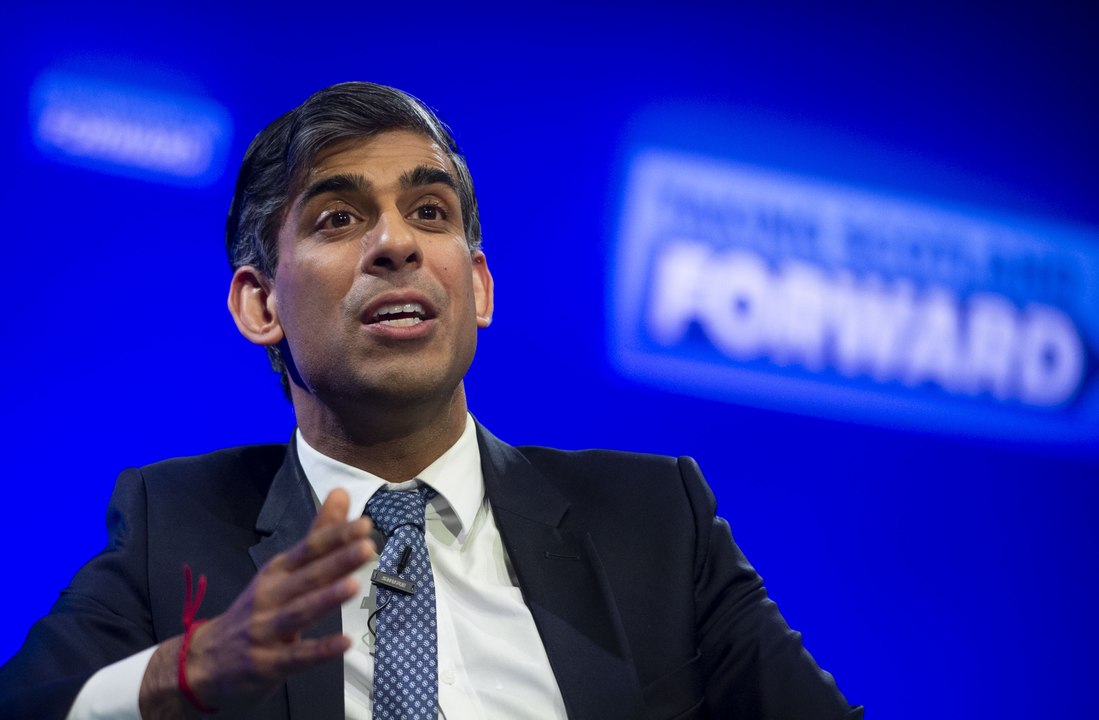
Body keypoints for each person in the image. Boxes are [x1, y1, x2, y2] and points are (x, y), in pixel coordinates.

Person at [0, 81, 862, 720]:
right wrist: (177, 676)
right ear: (260, 305)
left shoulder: (657, 521)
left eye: (429, 211)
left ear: (477, 287)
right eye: (338, 219)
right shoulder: (176, 527)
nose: (395, 243)